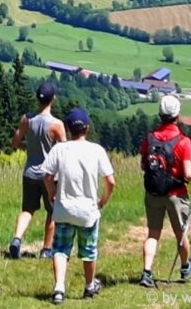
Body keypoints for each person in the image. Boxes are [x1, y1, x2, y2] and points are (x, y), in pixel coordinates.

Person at [40, 108, 116, 304]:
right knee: (89, 251)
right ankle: (90, 286)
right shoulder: (96, 150)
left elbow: (47, 176)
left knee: (60, 249)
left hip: (64, 208)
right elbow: (111, 181)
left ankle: (59, 288)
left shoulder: (59, 149)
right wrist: (103, 200)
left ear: (68, 128)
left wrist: (52, 193)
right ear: (87, 128)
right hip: (88, 211)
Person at [138, 95, 191, 288]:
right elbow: (187, 172)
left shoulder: (149, 138)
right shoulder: (183, 141)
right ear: (177, 115)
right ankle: (185, 268)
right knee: (180, 233)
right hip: (175, 194)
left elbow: (144, 166)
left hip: (153, 193)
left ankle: (147, 273)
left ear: (160, 114)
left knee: (153, 234)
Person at [9, 82, 66, 259]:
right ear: (53, 99)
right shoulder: (56, 124)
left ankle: (17, 239)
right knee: (52, 211)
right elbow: (63, 151)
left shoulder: (27, 119)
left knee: (27, 210)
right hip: (49, 175)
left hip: (29, 173)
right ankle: (46, 249)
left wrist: (29, 147)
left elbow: (16, 142)